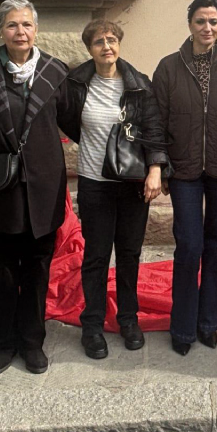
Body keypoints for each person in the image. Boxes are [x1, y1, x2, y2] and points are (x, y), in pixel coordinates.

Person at [0, 0, 70, 376]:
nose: (20, 32)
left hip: (43, 189)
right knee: (2, 271)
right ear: (1, 30)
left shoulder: (56, 72)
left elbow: (79, 122)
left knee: (37, 272)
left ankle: (32, 342)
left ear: (35, 30)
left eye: (26, 24)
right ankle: (4, 343)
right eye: (12, 25)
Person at [59, 19, 168, 360]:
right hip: (95, 184)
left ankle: (128, 319)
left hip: (133, 183)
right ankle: (92, 324)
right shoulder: (76, 84)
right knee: (95, 256)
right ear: (89, 49)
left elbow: (153, 129)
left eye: (111, 39)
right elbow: (66, 119)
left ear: (119, 43)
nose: (106, 46)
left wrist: (155, 170)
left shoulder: (139, 85)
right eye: (97, 42)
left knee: (130, 255)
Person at [152, 0, 217, 356]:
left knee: (216, 247)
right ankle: (183, 327)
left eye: (214, 22)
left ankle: (208, 323)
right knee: (189, 246)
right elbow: (155, 121)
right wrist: (157, 165)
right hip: (184, 171)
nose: (207, 28)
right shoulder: (169, 67)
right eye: (200, 21)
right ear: (189, 24)